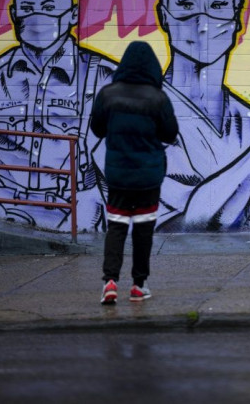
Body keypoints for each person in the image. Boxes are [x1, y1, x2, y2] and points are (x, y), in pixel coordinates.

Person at [0, 0, 116, 231]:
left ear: (73, 15)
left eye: (48, 6)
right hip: (2, 206)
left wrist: (90, 212)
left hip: (76, 212)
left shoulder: (105, 77)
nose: (37, 17)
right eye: (28, 8)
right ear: (14, 14)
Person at [154, 0, 250, 228]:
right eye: (186, 5)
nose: (201, 23)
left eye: (217, 6)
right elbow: (187, 224)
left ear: (236, 20)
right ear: (164, 16)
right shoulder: (140, 114)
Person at [90, 41, 179, 304]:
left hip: (118, 176)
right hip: (148, 178)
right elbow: (170, 133)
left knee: (116, 228)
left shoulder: (108, 94)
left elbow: (97, 128)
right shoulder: (158, 98)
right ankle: (139, 285)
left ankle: (110, 282)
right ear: (152, 67)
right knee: (143, 231)